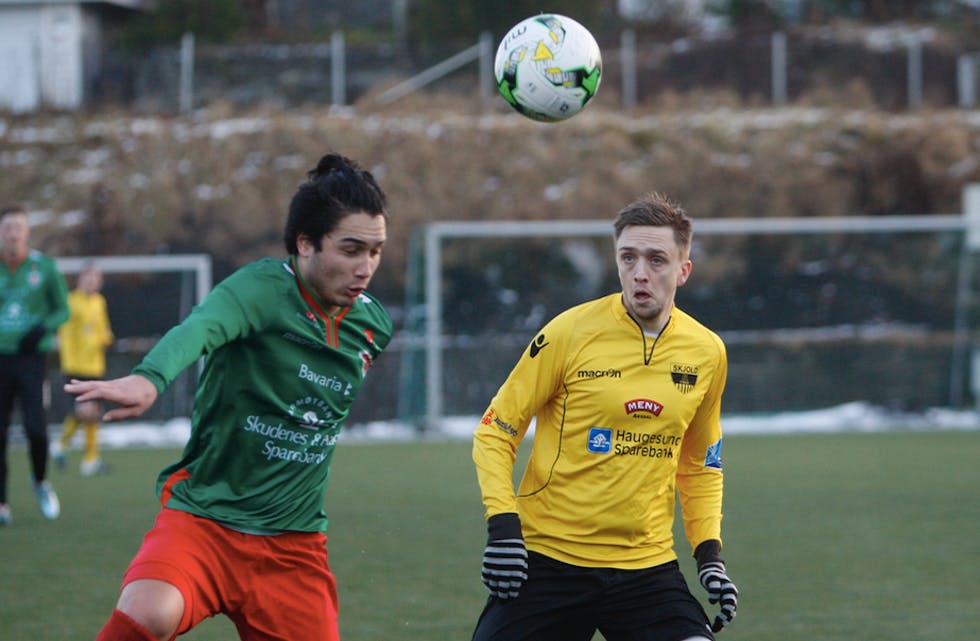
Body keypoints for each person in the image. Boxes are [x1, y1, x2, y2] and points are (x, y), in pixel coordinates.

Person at [66, 152, 391, 641]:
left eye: (375, 251)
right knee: (146, 612)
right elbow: (199, 328)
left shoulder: (372, 327)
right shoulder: (258, 290)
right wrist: (150, 378)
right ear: (305, 244)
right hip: (205, 522)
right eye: (350, 249)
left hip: (293, 546)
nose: (365, 266)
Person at [471, 192, 738, 641]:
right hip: (549, 559)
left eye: (656, 260)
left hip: (646, 567)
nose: (639, 273)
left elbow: (701, 464)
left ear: (683, 270)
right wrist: (503, 529)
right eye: (628, 257)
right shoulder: (567, 333)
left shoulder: (707, 351)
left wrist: (709, 554)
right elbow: (496, 432)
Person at [0, 204, 70, 526]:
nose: (13, 233)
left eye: (18, 227)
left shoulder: (44, 267)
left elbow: (63, 310)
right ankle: (2, 502)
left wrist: (43, 328)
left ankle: (40, 482)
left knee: (36, 429)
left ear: (26, 232)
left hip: (32, 360)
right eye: (7, 227)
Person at [55, 262, 114, 476]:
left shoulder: (100, 302)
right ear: (80, 279)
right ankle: (66, 447)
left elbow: (103, 329)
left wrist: (106, 338)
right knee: (85, 411)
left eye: (96, 278)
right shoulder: (70, 301)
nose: (92, 282)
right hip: (75, 365)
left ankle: (85, 457)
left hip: (95, 365)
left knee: (92, 413)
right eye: (88, 277)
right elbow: (62, 330)